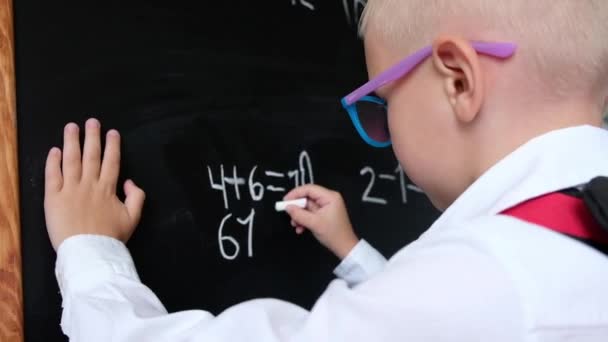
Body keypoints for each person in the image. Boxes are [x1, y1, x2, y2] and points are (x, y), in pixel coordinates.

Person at [44, 1, 608, 341]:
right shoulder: (572, 231)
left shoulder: (489, 280)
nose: (384, 138)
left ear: (457, 80)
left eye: (381, 105)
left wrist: (89, 252)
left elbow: (462, 305)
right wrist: (354, 251)